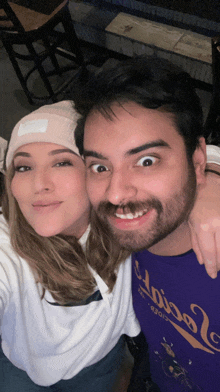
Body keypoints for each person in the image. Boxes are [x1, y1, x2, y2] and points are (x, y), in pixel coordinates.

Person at [73, 55, 220, 391]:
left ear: (196, 160)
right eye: (99, 167)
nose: (116, 193)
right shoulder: (116, 235)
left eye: (147, 161)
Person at [0, 100, 141, 392]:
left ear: (96, 171)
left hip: (98, 364)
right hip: (23, 370)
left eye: (62, 162)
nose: (39, 184)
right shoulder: (7, 243)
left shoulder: (127, 223)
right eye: (23, 167)